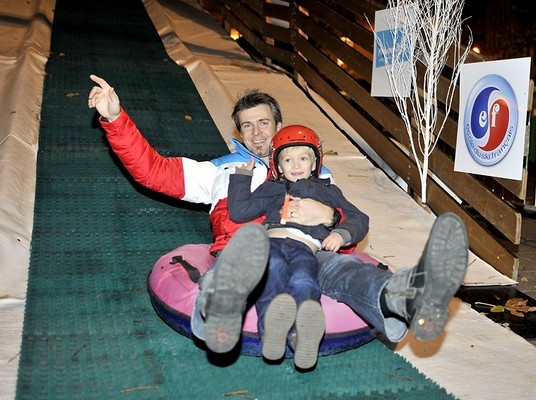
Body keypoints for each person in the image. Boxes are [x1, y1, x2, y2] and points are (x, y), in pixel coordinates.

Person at [87, 74, 469, 358]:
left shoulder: (311, 172)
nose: (255, 134)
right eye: (247, 125)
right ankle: (220, 307)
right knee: (253, 255)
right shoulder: (222, 172)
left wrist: (330, 216)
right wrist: (115, 118)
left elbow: (348, 219)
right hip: (249, 256)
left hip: (310, 250)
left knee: (337, 269)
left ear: (279, 127)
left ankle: (406, 295)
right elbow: (152, 171)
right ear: (238, 131)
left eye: (263, 123)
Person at [227, 124, 369, 369]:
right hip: (271, 243)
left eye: (303, 158)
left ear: (315, 163)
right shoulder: (271, 189)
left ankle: (303, 336)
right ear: (278, 166)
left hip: (306, 248)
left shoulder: (327, 191)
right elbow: (239, 212)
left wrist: (341, 234)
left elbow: (359, 218)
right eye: (288, 159)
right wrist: (242, 178)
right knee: (272, 268)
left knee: (304, 279)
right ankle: (271, 330)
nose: (295, 165)